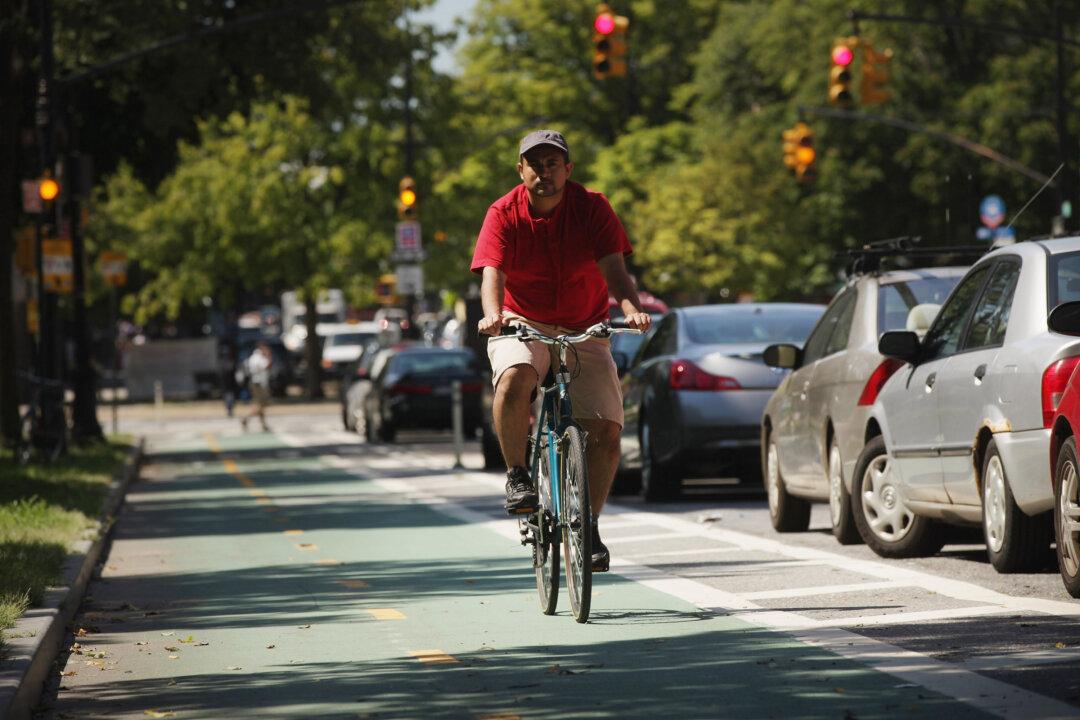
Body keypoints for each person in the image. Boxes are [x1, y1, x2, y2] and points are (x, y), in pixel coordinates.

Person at [471, 129, 652, 572]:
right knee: (515, 377)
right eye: (535, 164)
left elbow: (615, 269)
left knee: (607, 430)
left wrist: (631, 309)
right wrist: (493, 314)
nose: (544, 172)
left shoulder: (593, 208)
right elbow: (492, 272)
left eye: (553, 163)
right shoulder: (503, 212)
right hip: (522, 323)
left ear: (568, 170)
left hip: (584, 327)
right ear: (521, 170)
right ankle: (517, 477)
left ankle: (587, 526)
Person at [240, 342, 273, 432]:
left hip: (256, 383)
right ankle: (246, 418)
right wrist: (269, 356)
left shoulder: (254, 357)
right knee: (261, 405)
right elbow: (267, 366)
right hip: (258, 384)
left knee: (260, 405)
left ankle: (264, 425)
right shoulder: (258, 358)